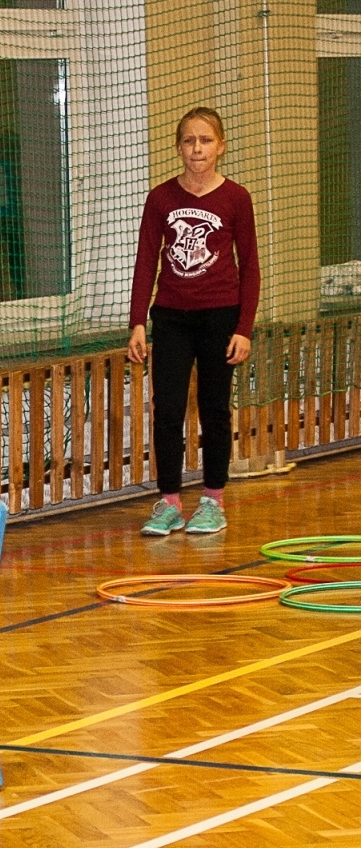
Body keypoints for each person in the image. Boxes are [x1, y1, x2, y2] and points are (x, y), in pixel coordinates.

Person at [127, 105, 260, 536]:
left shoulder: (236, 198)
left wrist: (244, 328)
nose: (196, 148)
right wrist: (137, 322)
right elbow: (146, 261)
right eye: (188, 140)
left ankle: (212, 500)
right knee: (167, 409)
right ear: (179, 147)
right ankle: (168, 502)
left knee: (215, 409)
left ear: (220, 146)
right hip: (171, 318)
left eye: (205, 140)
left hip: (220, 315)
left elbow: (251, 266)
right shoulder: (161, 198)